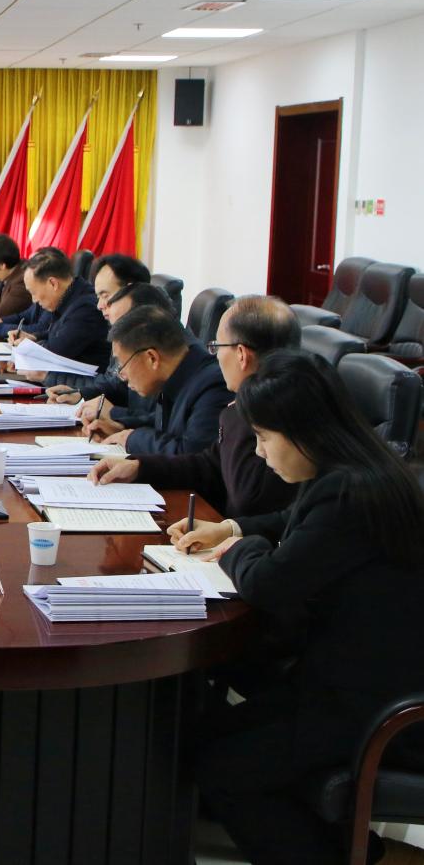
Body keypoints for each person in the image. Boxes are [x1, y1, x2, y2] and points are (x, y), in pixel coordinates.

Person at [169, 351, 424, 865]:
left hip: (375, 703)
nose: (259, 452)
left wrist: (236, 549)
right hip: (346, 678)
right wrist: (232, 527)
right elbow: (294, 521)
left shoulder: (351, 494)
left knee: (223, 767)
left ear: (304, 431)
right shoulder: (356, 469)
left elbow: (269, 584)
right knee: (200, 735)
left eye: (264, 438)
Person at [89, 295, 303, 519]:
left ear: (241, 355)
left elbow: (246, 499)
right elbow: (209, 463)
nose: (216, 356)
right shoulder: (269, 399)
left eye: (217, 346)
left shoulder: (281, 412)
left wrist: (236, 410)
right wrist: (140, 467)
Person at [84, 305, 230, 454]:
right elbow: (165, 425)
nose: (122, 375)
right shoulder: (180, 373)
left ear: (152, 358)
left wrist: (132, 439)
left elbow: (192, 453)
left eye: (122, 365)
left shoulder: (213, 386)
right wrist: (121, 427)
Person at [49, 282, 175, 427]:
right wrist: (80, 394)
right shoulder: (149, 347)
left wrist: (115, 414)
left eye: (122, 326)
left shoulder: (177, 362)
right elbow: (120, 387)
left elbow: (164, 424)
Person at [0, 249, 111, 369]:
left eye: (33, 292)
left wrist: (27, 347)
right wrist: (34, 337)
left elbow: (56, 352)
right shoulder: (70, 296)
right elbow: (61, 333)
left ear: (53, 283)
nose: (34, 300)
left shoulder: (85, 308)